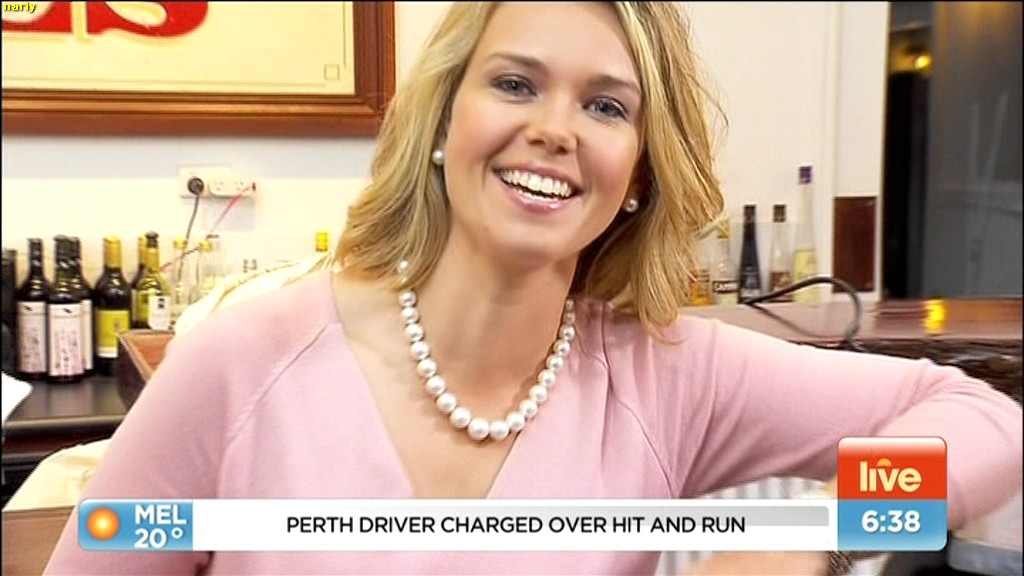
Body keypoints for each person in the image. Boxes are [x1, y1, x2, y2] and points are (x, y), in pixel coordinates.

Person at [45, 2, 1021, 575]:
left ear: (637, 172)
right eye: (514, 84)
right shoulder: (243, 362)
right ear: (443, 121)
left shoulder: (668, 377)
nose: (554, 128)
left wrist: (820, 530)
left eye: (605, 106)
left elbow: (981, 418)